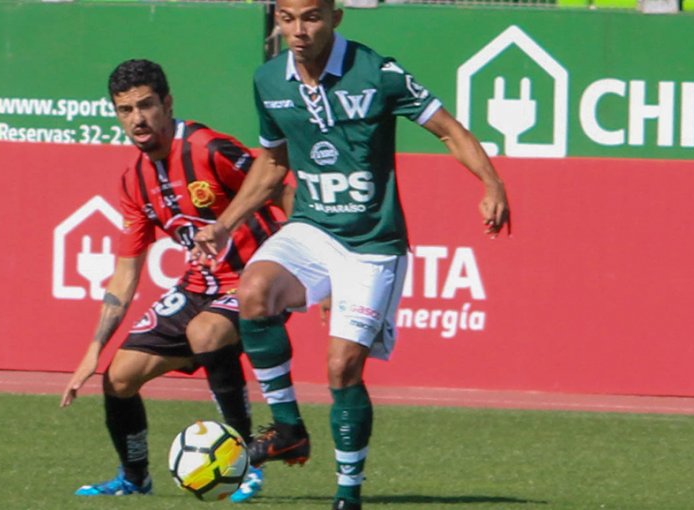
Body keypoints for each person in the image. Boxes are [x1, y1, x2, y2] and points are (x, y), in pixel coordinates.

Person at [192, 1, 510, 509]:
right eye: (288, 17)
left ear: (336, 18)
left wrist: (491, 183)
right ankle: (289, 428)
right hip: (312, 228)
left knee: (341, 368)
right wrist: (225, 224)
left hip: (372, 243)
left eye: (312, 17)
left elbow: (449, 129)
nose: (299, 30)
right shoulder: (270, 81)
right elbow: (273, 163)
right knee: (253, 291)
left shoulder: (376, 73)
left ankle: (348, 493)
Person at [60, 59, 289, 502]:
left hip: (259, 278)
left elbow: (280, 186)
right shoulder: (134, 180)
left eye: (146, 105)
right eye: (125, 110)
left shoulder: (206, 147)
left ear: (168, 103)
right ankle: (134, 478)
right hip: (199, 285)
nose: (137, 119)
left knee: (206, 333)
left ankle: (244, 466)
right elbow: (127, 270)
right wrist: (93, 351)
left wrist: (314, 261)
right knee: (119, 378)